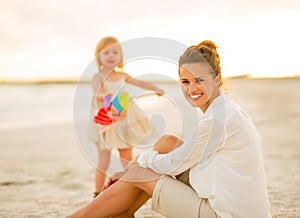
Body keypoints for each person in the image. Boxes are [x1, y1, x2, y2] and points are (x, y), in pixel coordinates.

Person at [71, 40, 271, 217]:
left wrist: (134, 164)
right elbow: (181, 155)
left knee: (139, 172)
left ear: (217, 79)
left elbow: (173, 165)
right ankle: (124, 212)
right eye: (186, 81)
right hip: (223, 194)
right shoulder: (224, 109)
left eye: (199, 80)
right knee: (168, 142)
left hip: (223, 213)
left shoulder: (217, 120)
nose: (192, 89)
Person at [87, 36, 165, 198]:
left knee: (126, 157)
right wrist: (108, 96)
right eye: (106, 52)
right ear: (99, 56)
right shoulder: (98, 77)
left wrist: (155, 88)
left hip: (123, 119)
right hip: (106, 121)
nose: (111, 55)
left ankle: (128, 189)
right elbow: (97, 94)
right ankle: (97, 193)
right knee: (104, 160)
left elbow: (140, 83)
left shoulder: (122, 76)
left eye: (115, 52)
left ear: (120, 57)